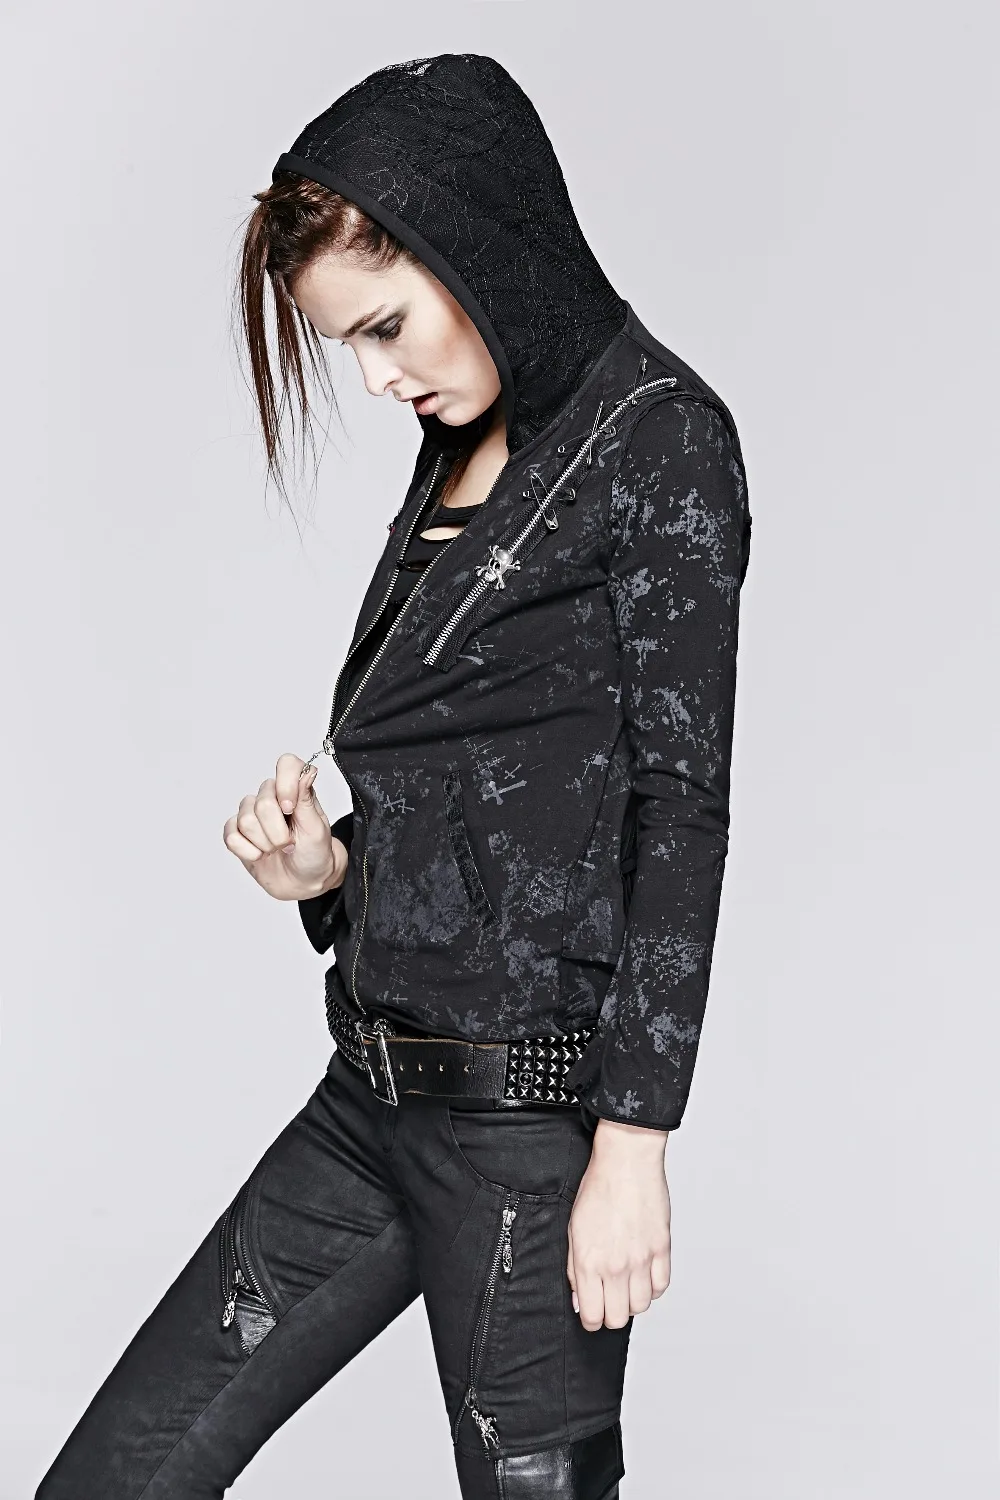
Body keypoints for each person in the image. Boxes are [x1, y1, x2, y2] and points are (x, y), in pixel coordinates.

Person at [35, 52, 751, 1500]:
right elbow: (501, 789)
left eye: (385, 327)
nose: (378, 378)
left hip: (524, 1136)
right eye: (350, 346)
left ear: (476, 239)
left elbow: (678, 811)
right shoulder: (462, 436)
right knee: (115, 1476)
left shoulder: (659, 439)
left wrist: (634, 1145)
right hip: (367, 1095)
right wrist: (330, 873)